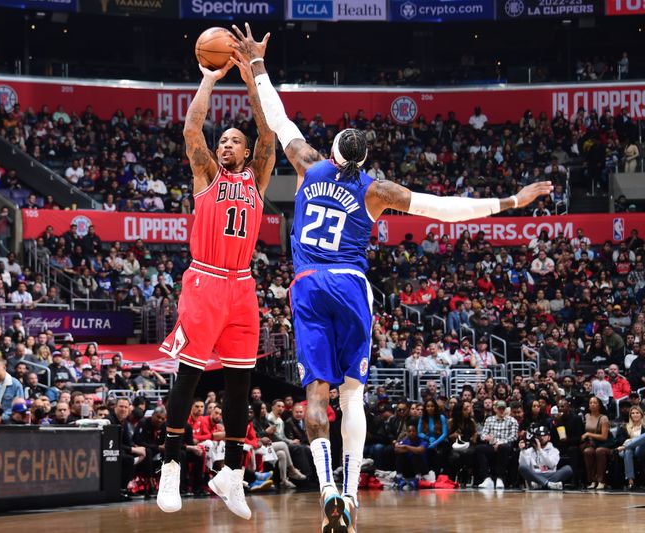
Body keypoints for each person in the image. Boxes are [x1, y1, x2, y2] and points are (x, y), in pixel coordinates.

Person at [236, 21, 552, 532]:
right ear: (363, 161)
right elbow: (445, 209)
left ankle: (325, 490)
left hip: (308, 282)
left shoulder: (308, 162)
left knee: (315, 395)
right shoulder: (377, 189)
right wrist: (512, 201)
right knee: (353, 395)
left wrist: (256, 64)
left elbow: (276, 117)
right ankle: (352, 496)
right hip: (350, 284)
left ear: (333, 153)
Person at [156, 27, 277, 521]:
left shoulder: (258, 176)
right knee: (188, 376)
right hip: (205, 279)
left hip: (243, 284)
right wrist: (208, 80)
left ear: (246, 153)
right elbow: (191, 131)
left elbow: (268, 131)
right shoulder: (205, 175)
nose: (225, 144)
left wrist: (251, 76)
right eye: (222, 140)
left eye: (233, 141)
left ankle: (231, 472)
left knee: (240, 382)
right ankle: (169, 465)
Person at [517, 424, 572, 490]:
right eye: (539, 436)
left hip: (550, 474)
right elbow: (524, 464)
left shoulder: (554, 450)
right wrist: (523, 450)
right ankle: (547, 484)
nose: (541, 438)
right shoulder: (529, 450)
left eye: (544, 435)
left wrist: (540, 450)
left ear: (549, 437)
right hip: (535, 475)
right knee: (522, 467)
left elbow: (551, 465)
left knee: (568, 469)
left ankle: (540, 484)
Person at [582, 395, 612, 490]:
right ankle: (592, 480)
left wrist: (588, 434)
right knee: (588, 452)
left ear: (599, 405)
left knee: (599, 451)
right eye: (590, 403)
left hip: (604, 444)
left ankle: (601, 480)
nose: (592, 405)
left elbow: (604, 437)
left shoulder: (603, 418)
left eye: (595, 403)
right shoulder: (586, 416)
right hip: (592, 444)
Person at [616, 405, 645, 490]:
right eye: (633, 413)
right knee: (628, 450)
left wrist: (628, 443)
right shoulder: (624, 427)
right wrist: (629, 443)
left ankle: (630, 482)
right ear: (630, 415)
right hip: (625, 452)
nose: (635, 415)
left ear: (641, 415)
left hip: (640, 450)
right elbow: (620, 440)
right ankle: (630, 480)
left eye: (637, 413)